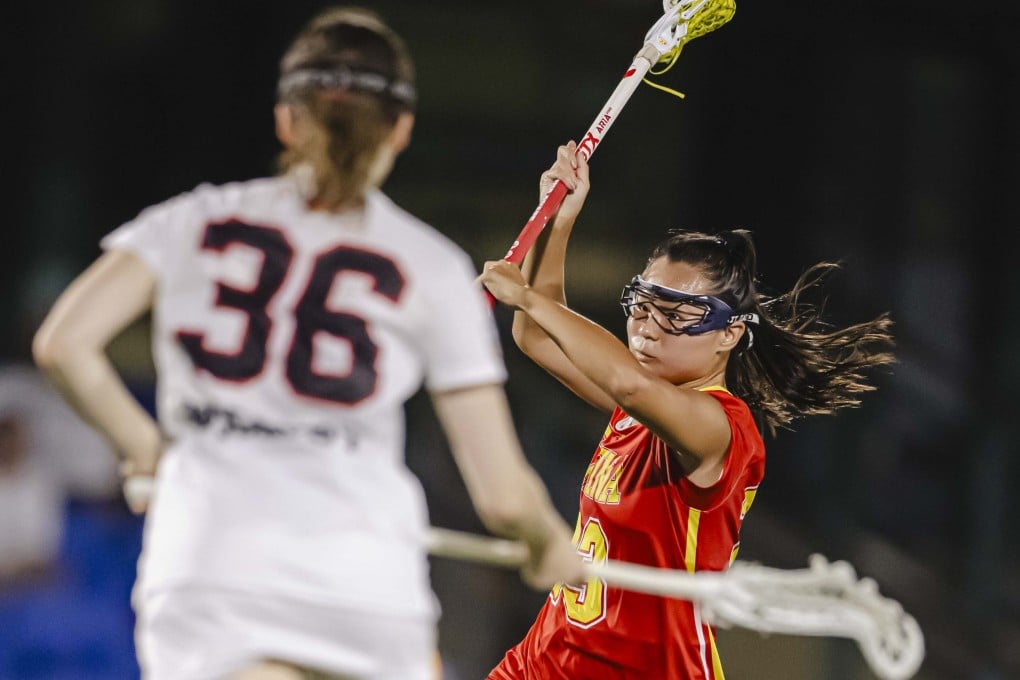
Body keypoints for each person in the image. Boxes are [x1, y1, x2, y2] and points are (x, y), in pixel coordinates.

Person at [32, 8, 580, 680]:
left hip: (208, 566)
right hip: (359, 579)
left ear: (287, 119)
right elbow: (503, 496)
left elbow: (62, 345)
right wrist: (546, 541)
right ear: (401, 128)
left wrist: (149, 452)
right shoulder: (430, 264)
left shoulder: (192, 218)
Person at [479, 141, 895, 679]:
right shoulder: (640, 406)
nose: (648, 328)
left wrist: (529, 296)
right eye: (643, 307)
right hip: (547, 661)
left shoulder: (721, 427)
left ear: (730, 333)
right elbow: (535, 336)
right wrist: (560, 217)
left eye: (676, 315)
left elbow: (623, 379)